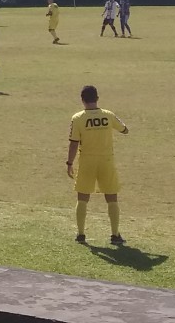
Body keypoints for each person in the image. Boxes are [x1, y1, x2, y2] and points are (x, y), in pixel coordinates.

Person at [67, 85, 129, 245]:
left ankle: (81, 235)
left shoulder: (77, 118)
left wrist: (69, 163)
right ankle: (115, 235)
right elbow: (124, 129)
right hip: (106, 161)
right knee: (111, 197)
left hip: (87, 161)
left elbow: (73, 143)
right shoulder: (108, 115)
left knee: (82, 197)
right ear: (97, 98)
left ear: (82, 100)